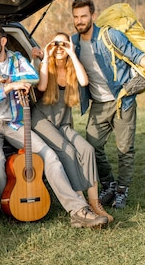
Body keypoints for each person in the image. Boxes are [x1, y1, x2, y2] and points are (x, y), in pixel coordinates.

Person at [0, 23, 107, 228]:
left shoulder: (17, 59)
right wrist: (7, 88)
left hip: (16, 123)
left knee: (50, 157)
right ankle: (9, 206)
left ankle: (78, 210)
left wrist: (5, 79)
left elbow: (34, 78)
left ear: (3, 40)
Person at [71, 0, 145, 209]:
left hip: (122, 100)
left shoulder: (109, 36)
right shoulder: (74, 42)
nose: (79, 21)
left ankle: (121, 191)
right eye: (76, 17)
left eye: (83, 16)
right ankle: (108, 185)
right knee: (92, 148)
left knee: (125, 149)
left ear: (93, 16)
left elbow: (135, 55)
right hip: (98, 104)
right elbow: (59, 57)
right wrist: (41, 55)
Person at [31, 32, 114, 223]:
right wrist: (46, 54)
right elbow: (42, 87)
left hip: (63, 121)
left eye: (64, 44)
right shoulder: (46, 66)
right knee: (67, 150)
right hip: (42, 120)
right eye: (56, 44)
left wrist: (73, 54)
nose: (60, 48)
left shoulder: (72, 67)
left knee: (87, 150)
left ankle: (94, 203)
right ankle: (79, 203)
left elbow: (84, 82)